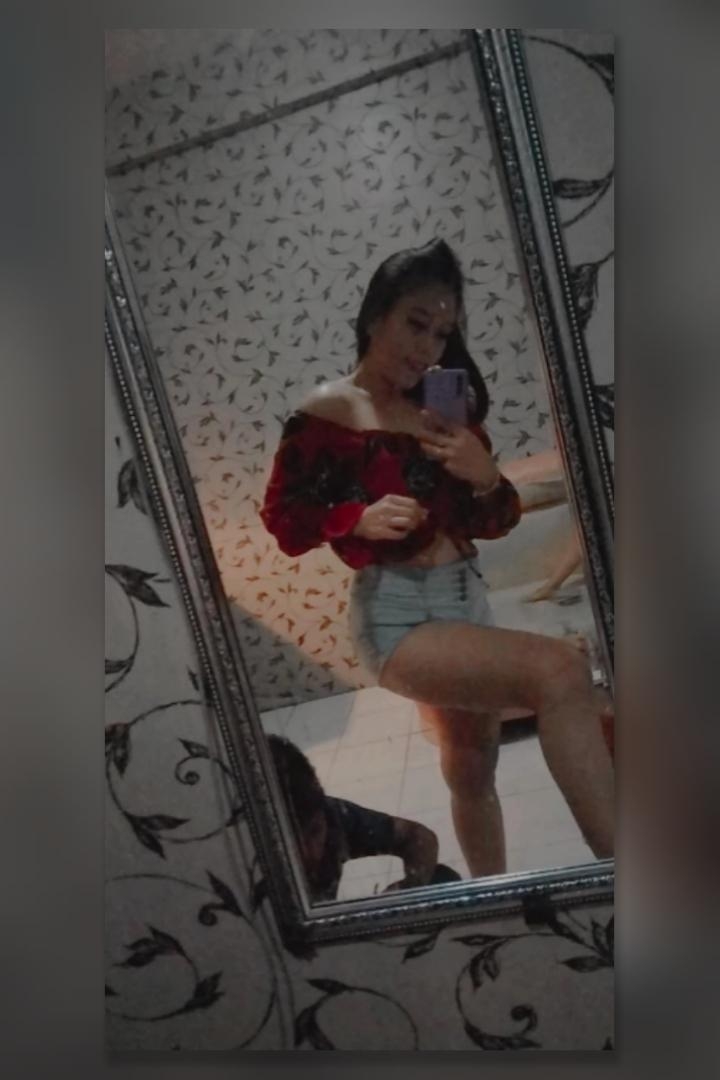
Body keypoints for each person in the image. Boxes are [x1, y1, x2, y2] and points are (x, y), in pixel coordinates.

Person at [261, 239, 613, 876]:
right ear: (376, 318)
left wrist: (485, 476)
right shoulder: (326, 413)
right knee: (561, 671)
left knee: (474, 773)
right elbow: (283, 520)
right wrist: (354, 517)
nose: (426, 347)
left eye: (441, 333)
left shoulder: (443, 408)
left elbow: (495, 521)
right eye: (415, 324)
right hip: (397, 616)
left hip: (466, 599)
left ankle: (493, 900)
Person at [268, 735, 462, 901]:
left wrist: (404, 890)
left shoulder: (333, 816)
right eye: (289, 840)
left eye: (314, 832)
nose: (308, 852)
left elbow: (418, 837)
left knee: (442, 881)